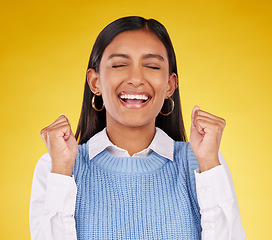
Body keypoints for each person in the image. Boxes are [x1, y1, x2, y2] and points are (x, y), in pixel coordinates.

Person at [29, 16, 246, 240]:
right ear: (95, 82)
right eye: (119, 65)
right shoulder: (55, 167)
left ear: (170, 85)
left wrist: (210, 165)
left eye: (152, 66)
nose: (135, 78)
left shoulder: (201, 163)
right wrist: (63, 172)